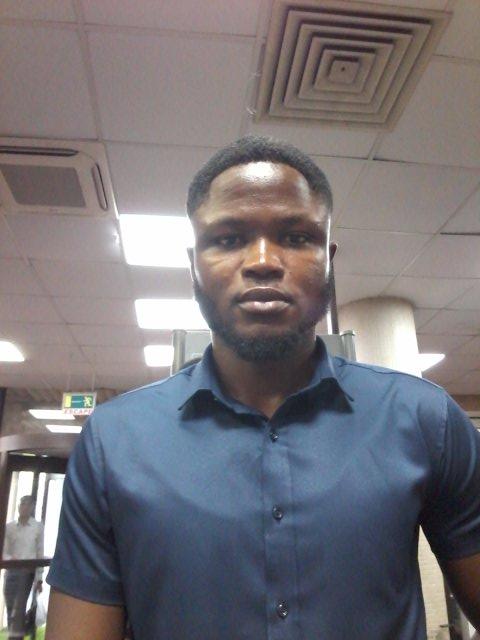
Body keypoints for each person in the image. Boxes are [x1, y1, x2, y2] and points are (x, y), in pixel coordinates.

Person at [45, 136, 480, 639]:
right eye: (229, 238)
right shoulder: (114, 441)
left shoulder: (425, 419)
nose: (263, 261)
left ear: (328, 259)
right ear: (193, 264)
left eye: (296, 237)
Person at [3, 495, 44, 640]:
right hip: (11, 571)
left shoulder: (37, 527)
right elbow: (4, 551)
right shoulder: (10, 527)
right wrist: (10, 559)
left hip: (27, 573)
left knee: (19, 607)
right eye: (22, 503)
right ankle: (14, 636)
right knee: (10, 606)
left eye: (27, 504)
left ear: (32, 507)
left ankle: (15, 637)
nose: (23, 507)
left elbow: (39, 553)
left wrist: (39, 579)